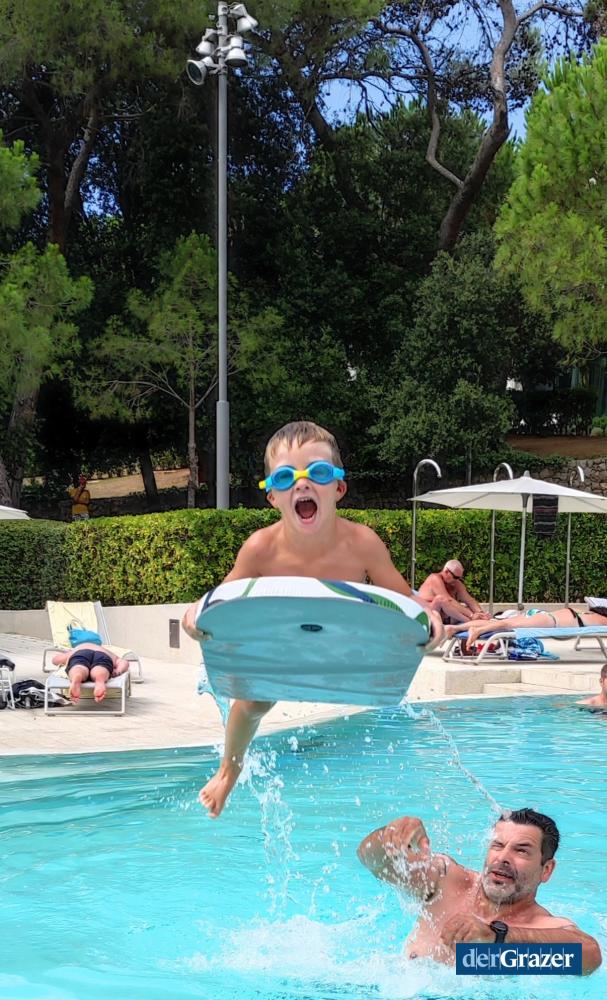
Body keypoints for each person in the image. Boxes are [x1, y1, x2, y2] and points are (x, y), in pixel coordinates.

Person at [182, 420, 444, 819]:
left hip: (342, 642)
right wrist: (194, 614)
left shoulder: (362, 543)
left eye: (318, 472)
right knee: (252, 700)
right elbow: (222, 600)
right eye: (285, 477)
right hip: (281, 642)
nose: (302, 484)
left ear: (338, 488)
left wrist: (429, 616)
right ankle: (228, 771)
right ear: (272, 496)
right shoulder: (261, 548)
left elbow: (402, 595)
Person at [357, 808, 601, 974]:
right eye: (498, 845)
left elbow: (589, 956)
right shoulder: (447, 881)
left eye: (521, 851)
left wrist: (498, 937)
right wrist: (391, 838)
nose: (503, 858)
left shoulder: (543, 927)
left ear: (546, 870)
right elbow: (372, 860)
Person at [448, 605, 607, 651]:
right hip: (550, 621)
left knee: (499, 622)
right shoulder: (602, 619)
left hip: (541, 614)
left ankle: (455, 628)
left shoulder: (586, 612)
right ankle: (477, 630)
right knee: (507, 625)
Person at [51, 643, 130, 703]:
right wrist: (118, 671)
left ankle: (77, 675)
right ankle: (100, 679)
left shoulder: (77, 648)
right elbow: (124, 662)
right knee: (101, 667)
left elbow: (55, 660)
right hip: (102, 655)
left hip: (81, 653)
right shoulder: (105, 650)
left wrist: (65, 657)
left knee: (78, 666)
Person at [418, 559, 490, 624]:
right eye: (455, 577)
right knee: (441, 599)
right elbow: (448, 600)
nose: (457, 580)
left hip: (446, 617)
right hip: (427, 614)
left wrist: (480, 613)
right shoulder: (435, 579)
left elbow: (469, 600)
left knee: (467, 609)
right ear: (446, 572)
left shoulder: (455, 583)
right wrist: (471, 615)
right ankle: (470, 621)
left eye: (459, 578)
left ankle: (476, 620)